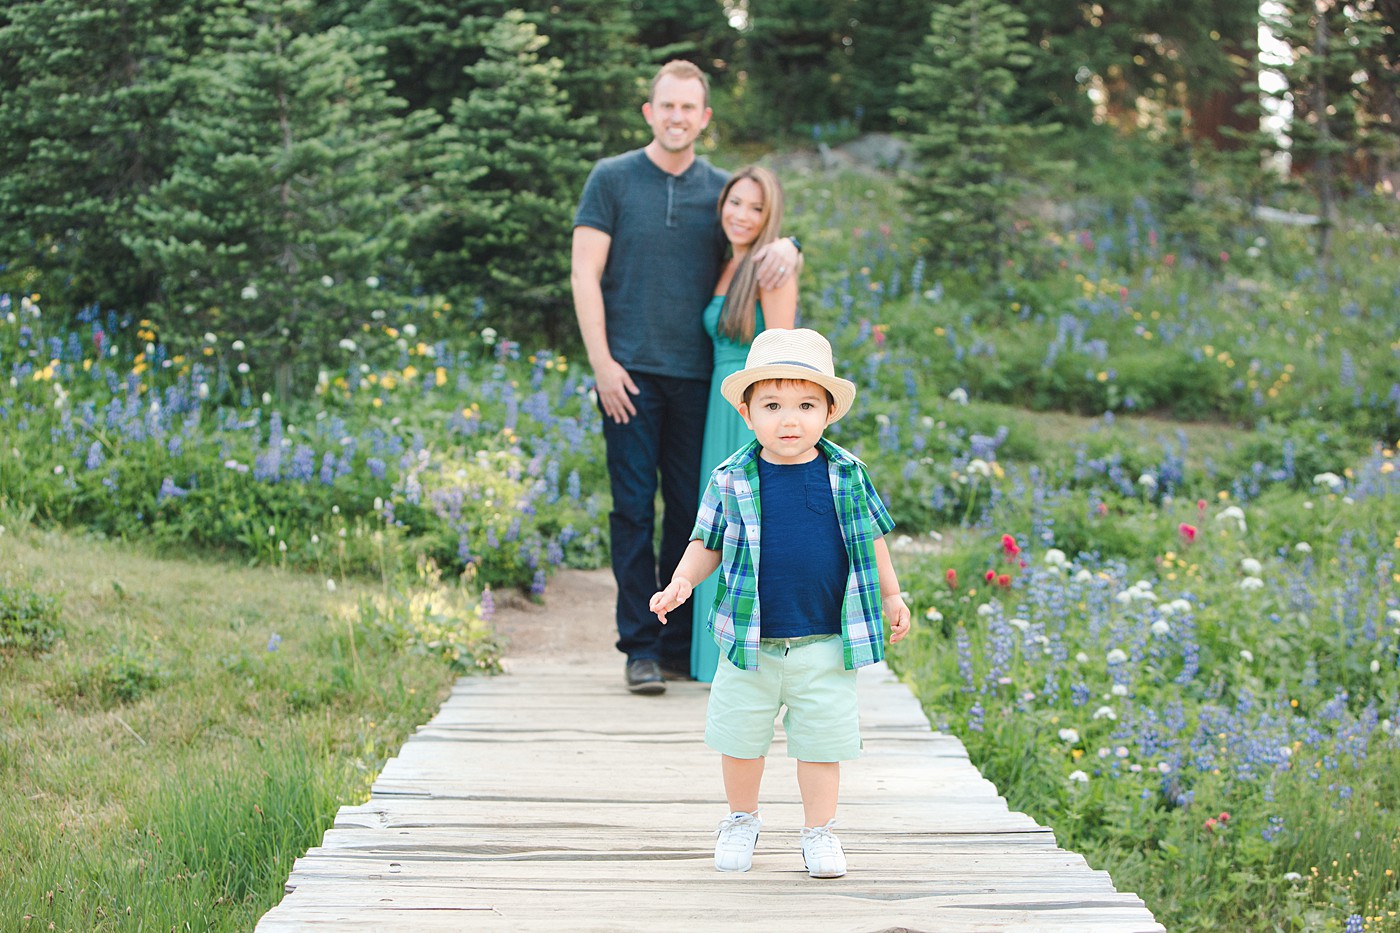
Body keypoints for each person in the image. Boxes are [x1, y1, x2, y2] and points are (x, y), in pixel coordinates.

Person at [571, 60, 801, 695]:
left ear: (704, 118)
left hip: (704, 384)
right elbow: (584, 273)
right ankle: (639, 647)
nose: (676, 117)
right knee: (631, 511)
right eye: (665, 106)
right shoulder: (612, 179)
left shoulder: (721, 190)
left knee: (693, 516)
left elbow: (759, 229)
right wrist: (602, 364)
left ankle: (678, 644)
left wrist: (793, 246)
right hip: (628, 376)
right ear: (650, 112)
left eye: (688, 108)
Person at [649, 328, 912, 879]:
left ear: (828, 413)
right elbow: (706, 544)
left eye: (805, 405)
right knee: (741, 740)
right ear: (747, 414)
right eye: (772, 405)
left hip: (826, 642)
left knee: (822, 744)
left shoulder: (847, 474)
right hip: (750, 645)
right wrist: (680, 582)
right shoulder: (730, 478)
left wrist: (891, 592)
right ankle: (741, 818)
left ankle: (819, 832)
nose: (789, 420)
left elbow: (872, 538)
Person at [689, 166, 797, 683]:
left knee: (746, 527)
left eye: (756, 208)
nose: (742, 215)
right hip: (719, 400)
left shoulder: (771, 267)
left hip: (748, 407)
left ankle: (746, 662)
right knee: (716, 526)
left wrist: (768, 425)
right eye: (736, 203)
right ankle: (709, 656)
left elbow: (782, 356)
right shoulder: (724, 264)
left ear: (769, 215)